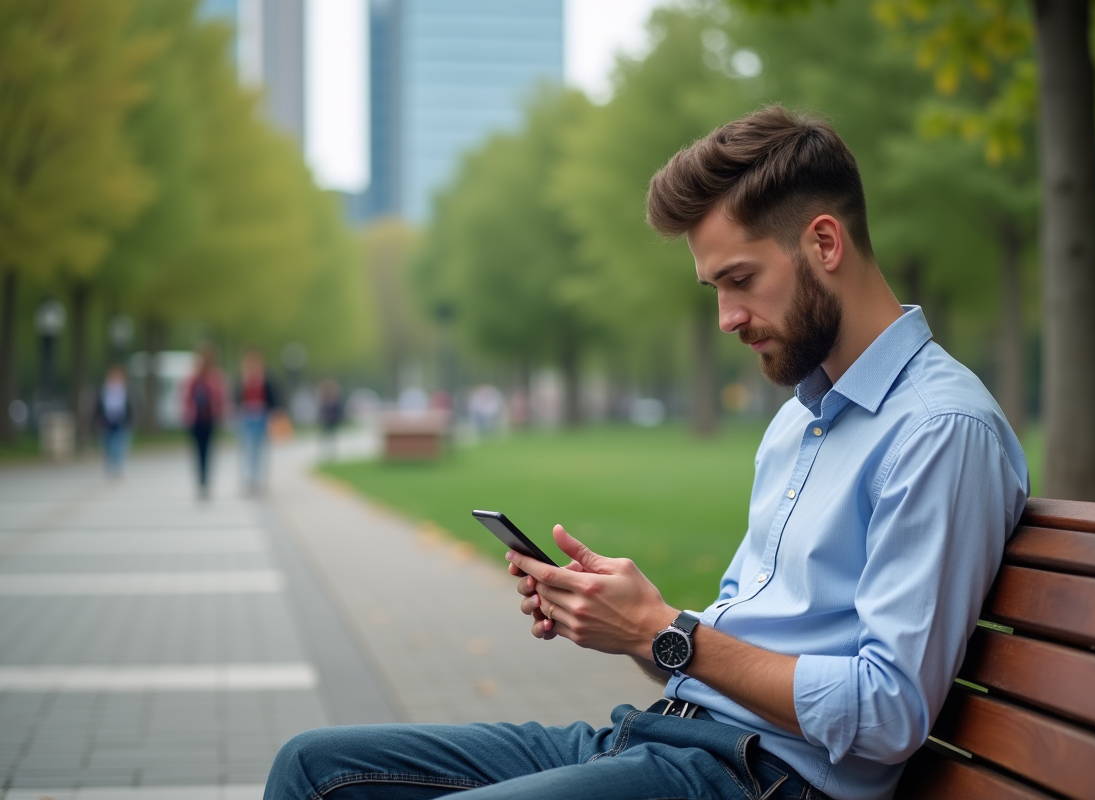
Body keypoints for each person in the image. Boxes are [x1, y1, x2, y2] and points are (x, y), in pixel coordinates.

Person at [264, 107, 1029, 800]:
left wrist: (667, 631)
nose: (728, 317)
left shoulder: (939, 430)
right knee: (313, 768)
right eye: (713, 289)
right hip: (671, 738)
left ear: (824, 242)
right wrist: (630, 624)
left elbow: (889, 713)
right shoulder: (802, 421)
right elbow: (722, 652)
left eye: (741, 280)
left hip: (765, 778)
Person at [180, 346, 225, 500]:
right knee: (198, 452)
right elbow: (186, 398)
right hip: (196, 420)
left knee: (208, 451)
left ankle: (205, 482)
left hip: (210, 419)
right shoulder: (192, 379)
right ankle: (200, 481)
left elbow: (219, 399)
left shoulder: (214, 378)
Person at [234, 348, 278, 494]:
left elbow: (273, 399)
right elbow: (236, 398)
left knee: (260, 450)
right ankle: (248, 479)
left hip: (261, 416)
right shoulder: (242, 379)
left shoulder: (265, 379)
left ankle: (258, 480)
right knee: (247, 449)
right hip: (246, 416)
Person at [94, 364, 133, 477]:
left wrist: (130, 419)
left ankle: (118, 466)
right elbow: (98, 406)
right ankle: (111, 464)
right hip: (107, 421)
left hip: (121, 421)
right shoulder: (104, 390)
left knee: (119, 444)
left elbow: (130, 406)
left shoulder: (126, 390)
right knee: (108, 445)